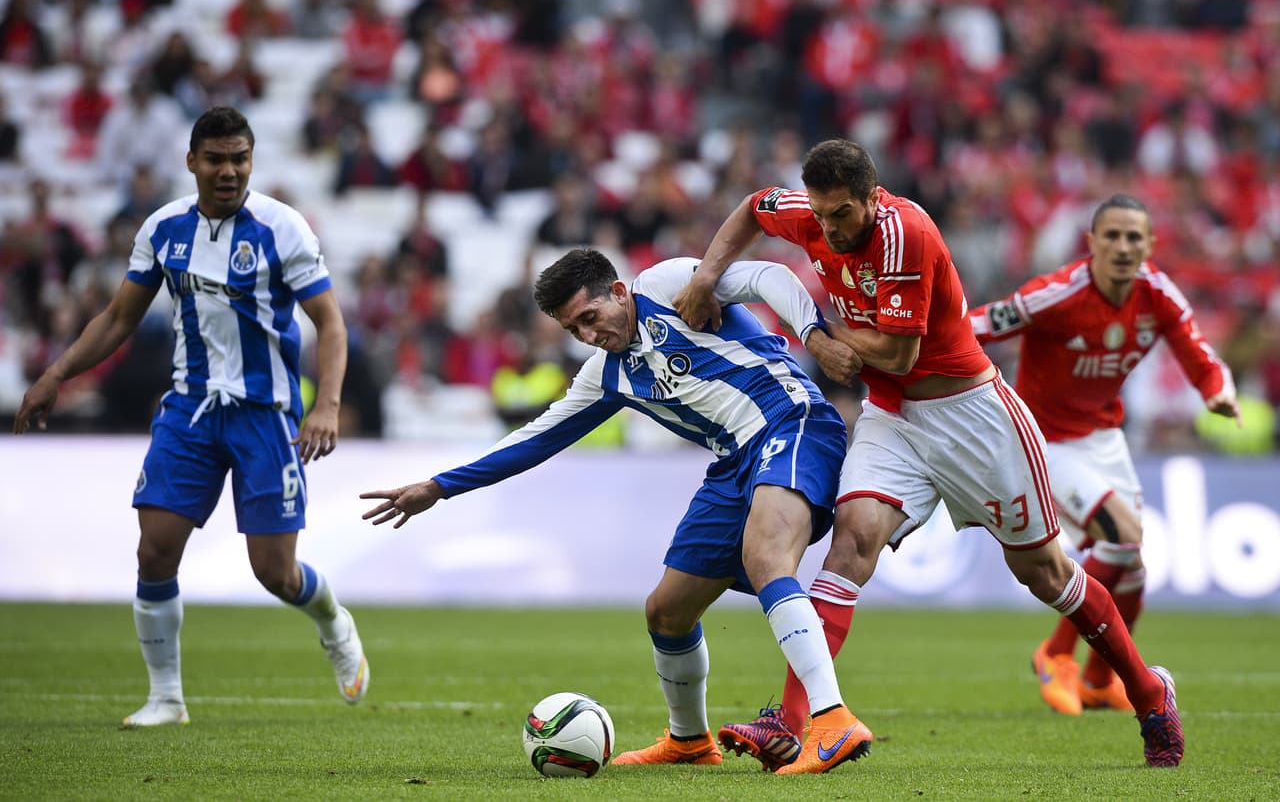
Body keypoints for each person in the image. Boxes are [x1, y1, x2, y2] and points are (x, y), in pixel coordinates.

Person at [674, 139, 1184, 771]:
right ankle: (793, 722)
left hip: (973, 417)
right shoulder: (808, 212)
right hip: (894, 419)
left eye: (841, 215)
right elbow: (753, 208)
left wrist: (815, 336)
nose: (828, 230)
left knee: (1046, 576)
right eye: (821, 215)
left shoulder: (904, 232)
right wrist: (704, 276)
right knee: (850, 546)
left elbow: (899, 354)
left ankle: (1148, 692)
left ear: (870, 197)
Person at [360, 247, 870, 774]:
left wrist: (812, 336)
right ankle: (688, 742)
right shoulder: (605, 376)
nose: (587, 335)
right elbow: (533, 441)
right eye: (572, 329)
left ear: (619, 292)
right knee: (666, 613)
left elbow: (770, 275)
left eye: (589, 318)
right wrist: (440, 487)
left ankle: (831, 719)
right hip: (732, 463)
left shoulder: (668, 284)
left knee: (767, 560)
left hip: (793, 421)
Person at [12, 106, 369, 727]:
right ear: (192, 161)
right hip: (190, 411)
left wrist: (327, 405)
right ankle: (166, 697)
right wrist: (58, 373)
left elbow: (331, 323)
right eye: (216, 159)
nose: (229, 171)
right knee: (154, 552)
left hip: (266, 416)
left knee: (276, 573)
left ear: (251, 161)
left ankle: (333, 621)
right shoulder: (163, 228)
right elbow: (119, 318)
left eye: (240, 159)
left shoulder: (283, 229)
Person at [970, 193, 1238, 715]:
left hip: (1104, 438)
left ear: (1149, 246)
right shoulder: (1058, 294)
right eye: (1111, 236)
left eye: (1133, 237)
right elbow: (979, 326)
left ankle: (1097, 680)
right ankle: (1055, 652)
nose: (1122, 246)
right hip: (1046, 440)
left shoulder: (1156, 294)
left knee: (1132, 567)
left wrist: (1217, 391)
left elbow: (1196, 348)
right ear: (1091, 243)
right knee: (1125, 534)